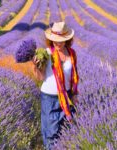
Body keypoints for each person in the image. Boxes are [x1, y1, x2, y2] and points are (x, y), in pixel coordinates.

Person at [33, 21, 79, 150]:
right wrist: (36, 66)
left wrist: (75, 94)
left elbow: (75, 75)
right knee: (51, 133)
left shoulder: (72, 54)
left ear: (66, 40)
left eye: (61, 40)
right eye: (55, 40)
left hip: (67, 97)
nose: (58, 43)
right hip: (50, 98)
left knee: (66, 131)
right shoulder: (46, 54)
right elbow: (40, 77)